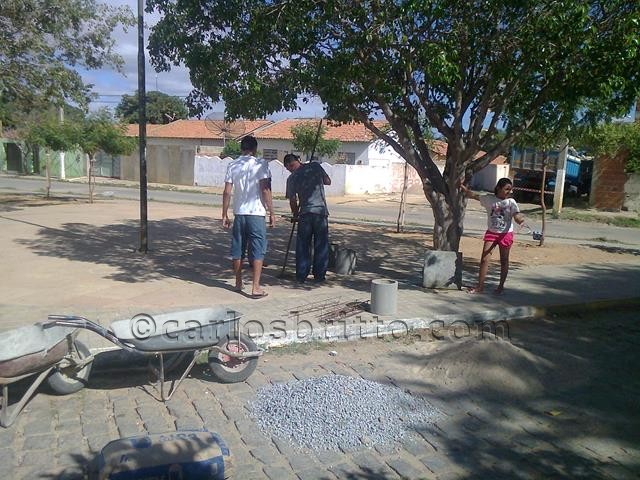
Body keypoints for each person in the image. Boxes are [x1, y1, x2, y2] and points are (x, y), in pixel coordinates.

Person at [222, 136, 275, 298]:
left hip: (239, 213)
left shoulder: (233, 165)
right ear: (255, 149)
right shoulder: (261, 164)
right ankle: (256, 287)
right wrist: (272, 212)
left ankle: (238, 282)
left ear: (241, 148)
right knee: (258, 249)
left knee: (237, 249)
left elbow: (227, 192)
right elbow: (265, 190)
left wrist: (224, 214)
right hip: (256, 213)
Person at [460, 177, 525, 294]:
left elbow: (516, 215)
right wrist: (461, 187)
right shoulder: (489, 199)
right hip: (492, 233)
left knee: (504, 260)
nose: (509, 192)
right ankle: (480, 287)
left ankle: (501, 286)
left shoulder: (511, 202)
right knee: (484, 259)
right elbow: (473, 195)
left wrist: (520, 220)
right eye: (507, 189)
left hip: (506, 234)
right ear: (499, 188)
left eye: (511, 189)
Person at [284, 153, 332, 283]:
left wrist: (295, 214)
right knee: (321, 244)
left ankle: (301, 275)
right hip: (320, 212)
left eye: (288, 168)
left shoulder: (292, 178)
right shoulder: (315, 166)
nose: (289, 171)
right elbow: (328, 181)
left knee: (303, 245)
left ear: (289, 165)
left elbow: (292, 200)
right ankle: (319, 275)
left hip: (305, 214)